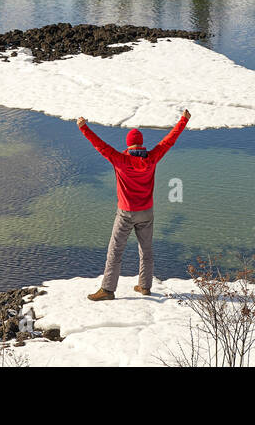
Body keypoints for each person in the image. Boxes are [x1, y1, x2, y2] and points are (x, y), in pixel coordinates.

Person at [76, 109, 191, 301]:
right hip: (146, 212)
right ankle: (145, 286)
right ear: (142, 143)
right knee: (146, 250)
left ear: (128, 144)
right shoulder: (152, 158)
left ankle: (107, 289)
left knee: (115, 251)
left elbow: (100, 145)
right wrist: (183, 120)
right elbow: (169, 140)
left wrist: (83, 127)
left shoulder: (120, 160)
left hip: (125, 213)